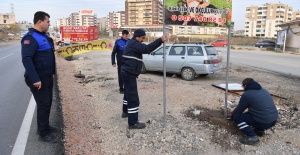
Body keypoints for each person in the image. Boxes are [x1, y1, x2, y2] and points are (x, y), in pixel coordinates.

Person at [21, 11, 57, 143]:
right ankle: (43, 133)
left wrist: (51, 73)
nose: (49, 24)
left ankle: (46, 126)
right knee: (43, 104)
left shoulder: (44, 37)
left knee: (48, 103)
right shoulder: (30, 38)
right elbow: (26, 59)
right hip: (38, 78)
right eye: (47, 21)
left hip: (46, 76)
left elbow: (49, 56)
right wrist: (35, 79)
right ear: (39, 22)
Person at [121, 29, 167, 129]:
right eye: (142, 38)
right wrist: (160, 40)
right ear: (137, 37)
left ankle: (125, 112)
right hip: (129, 74)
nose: (143, 40)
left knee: (127, 94)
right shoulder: (134, 43)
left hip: (126, 72)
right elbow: (147, 49)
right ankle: (133, 123)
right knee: (133, 98)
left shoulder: (132, 43)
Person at [229, 78, 278, 145]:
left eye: (242, 86)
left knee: (237, 117)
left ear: (245, 86)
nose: (243, 88)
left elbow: (239, 110)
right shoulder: (264, 90)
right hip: (273, 120)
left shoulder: (247, 94)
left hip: (264, 122)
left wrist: (232, 115)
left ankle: (252, 137)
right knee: (251, 113)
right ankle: (259, 131)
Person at [111, 30, 129, 94]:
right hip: (120, 62)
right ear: (123, 35)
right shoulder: (118, 42)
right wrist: (113, 62)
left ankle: (127, 88)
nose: (127, 37)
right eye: (126, 36)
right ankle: (121, 88)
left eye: (128, 35)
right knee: (121, 75)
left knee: (128, 76)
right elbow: (113, 53)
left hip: (128, 62)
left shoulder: (129, 42)